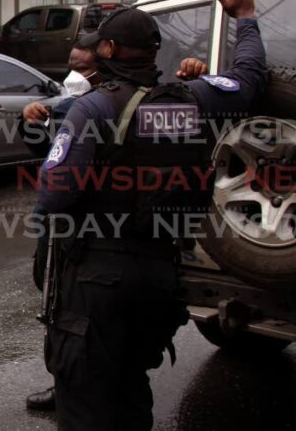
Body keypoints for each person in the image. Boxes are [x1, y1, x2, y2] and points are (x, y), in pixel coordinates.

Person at [37, 0, 266, 430]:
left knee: (84, 397)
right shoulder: (193, 99)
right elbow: (249, 78)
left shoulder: (94, 107)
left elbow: (55, 193)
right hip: (161, 273)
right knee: (131, 390)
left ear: (109, 50)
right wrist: (247, 18)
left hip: (98, 276)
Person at [20, 45, 208, 413]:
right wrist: (28, 123)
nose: (75, 75)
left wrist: (194, 83)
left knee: (101, 357)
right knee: (65, 322)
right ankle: (63, 381)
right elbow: (44, 152)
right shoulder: (67, 107)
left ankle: (77, 386)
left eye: (83, 67)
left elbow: (55, 189)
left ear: (105, 66)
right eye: (71, 66)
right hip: (120, 251)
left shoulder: (134, 105)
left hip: (109, 249)